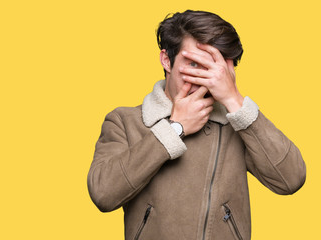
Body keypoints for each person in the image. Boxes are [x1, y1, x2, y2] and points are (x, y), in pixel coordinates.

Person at [87, 10, 306, 240]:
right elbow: (103, 194)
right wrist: (175, 128)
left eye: (214, 67)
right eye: (193, 63)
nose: (205, 78)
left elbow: (291, 180)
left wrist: (234, 101)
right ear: (166, 60)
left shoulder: (238, 124)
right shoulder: (124, 121)